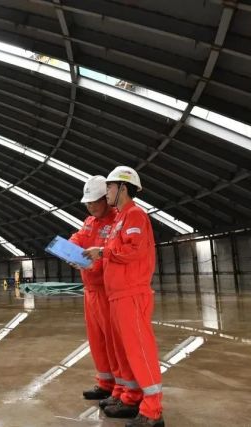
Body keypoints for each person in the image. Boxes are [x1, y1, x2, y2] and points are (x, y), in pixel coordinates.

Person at [84, 166, 164, 427]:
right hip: (118, 294)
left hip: (132, 293)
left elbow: (134, 250)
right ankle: (130, 397)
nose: (106, 191)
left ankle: (153, 412)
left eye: (109, 187)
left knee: (140, 351)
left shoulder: (135, 215)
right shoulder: (121, 218)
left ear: (123, 188)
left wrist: (104, 252)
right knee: (124, 350)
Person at [69, 176, 122, 402]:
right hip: (90, 290)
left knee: (112, 340)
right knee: (97, 340)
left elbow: (113, 253)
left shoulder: (117, 221)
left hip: (107, 291)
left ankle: (120, 388)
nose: (90, 206)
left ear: (106, 199)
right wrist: (69, 248)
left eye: (94, 202)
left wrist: (92, 264)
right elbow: (78, 238)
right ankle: (105, 382)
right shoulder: (90, 221)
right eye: (87, 203)